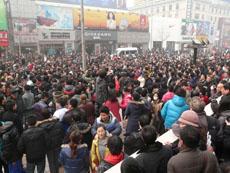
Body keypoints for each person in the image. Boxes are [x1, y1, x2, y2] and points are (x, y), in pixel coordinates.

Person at [37, 108, 65, 173]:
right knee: (57, 160)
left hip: (48, 147)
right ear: (50, 115)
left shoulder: (40, 127)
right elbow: (62, 134)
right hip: (57, 145)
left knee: (51, 162)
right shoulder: (58, 124)